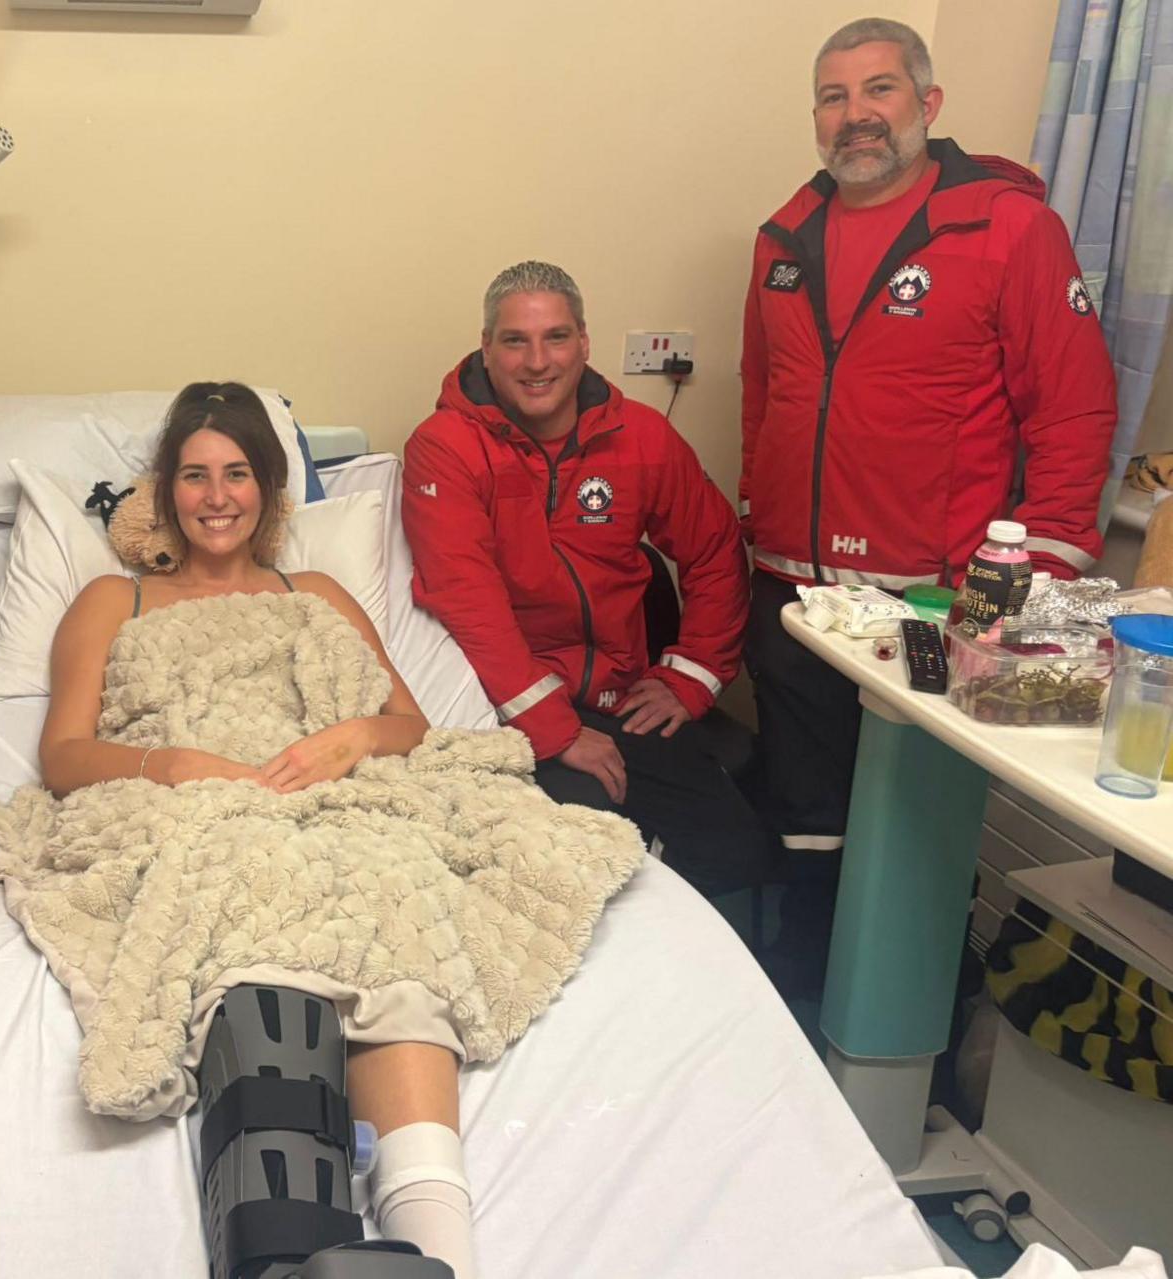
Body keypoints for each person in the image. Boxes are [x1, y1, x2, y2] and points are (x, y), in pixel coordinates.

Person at [38, 383, 475, 1276]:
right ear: (165, 492)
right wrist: (174, 766)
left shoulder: (313, 592)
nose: (215, 495)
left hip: (327, 797)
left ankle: (440, 1256)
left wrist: (351, 738)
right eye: (194, 475)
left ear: (269, 492)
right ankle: (285, 1247)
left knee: (394, 911)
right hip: (192, 802)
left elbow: (411, 725)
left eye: (236, 473)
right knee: (251, 888)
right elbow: (63, 755)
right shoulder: (111, 601)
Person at [740, 17, 1116, 988]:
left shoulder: (1008, 229)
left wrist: (1042, 574)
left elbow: (1073, 409)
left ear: (927, 103)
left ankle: (913, 1020)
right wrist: (758, 505)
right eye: (834, 96)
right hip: (793, 592)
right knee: (807, 814)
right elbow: (766, 391)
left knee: (915, 831)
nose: (855, 115)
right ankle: (801, 1001)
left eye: (879, 90)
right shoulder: (783, 240)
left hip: (935, 605)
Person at [402, 260, 766, 894]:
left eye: (556, 337)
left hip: (618, 706)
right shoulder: (445, 447)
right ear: (486, 349)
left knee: (737, 854)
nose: (537, 361)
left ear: (585, 342)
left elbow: (715, 550)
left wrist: (691, 676)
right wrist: (555, 730)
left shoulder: (641, 436)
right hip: (502, 713)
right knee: (572, 872)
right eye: (515, 340)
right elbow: (469, 602)